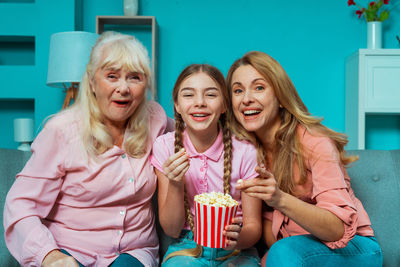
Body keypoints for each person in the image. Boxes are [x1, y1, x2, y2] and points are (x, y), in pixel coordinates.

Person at [4, 31, 173, 267]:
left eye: (135, 77)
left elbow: (195, 139)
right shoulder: (61, 131)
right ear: (92, 81)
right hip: (70, 251)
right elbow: (20, 205)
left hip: (134, 252)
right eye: (112, 76)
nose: (123, 88)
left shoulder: (155, 118)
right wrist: (49, 255)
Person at [226, 51, 383, 266]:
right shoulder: (246, 153)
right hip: (293, 252)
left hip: (353, 248)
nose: (246, 99)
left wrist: (279, 199)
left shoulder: (315, 142)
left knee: (282, 252)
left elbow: (337, 229)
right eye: (238, 91)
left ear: (280, 97)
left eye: (259, 87)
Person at [150, 64, 262, 266]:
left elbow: (254, 226)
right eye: (188, 95)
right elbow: (172, 229)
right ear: (176, 105)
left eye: (210, 95)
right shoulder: (165, 146)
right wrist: (175, 183)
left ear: (224, 105)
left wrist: (236, 238)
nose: (199, 103)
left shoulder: (246, 152)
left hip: (237, 249)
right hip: (186, 246)